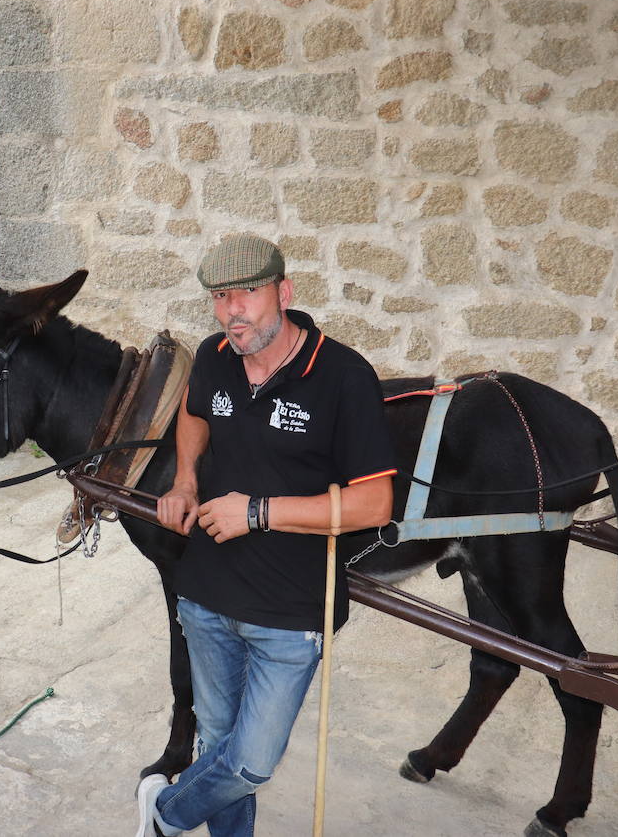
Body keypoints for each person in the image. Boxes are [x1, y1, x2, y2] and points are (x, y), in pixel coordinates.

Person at [137, 234, 397, 837]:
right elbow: (194, 413)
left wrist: (256, 512)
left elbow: (374, 502)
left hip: (290, 611)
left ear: (284, 292)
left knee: (249, 765)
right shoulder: (212, 357)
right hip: (204, 597)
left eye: (248, 293)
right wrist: (184, 480)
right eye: (221, 296)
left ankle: (164, 816)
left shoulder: (342, 376)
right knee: (217, 742)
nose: (234, 310)